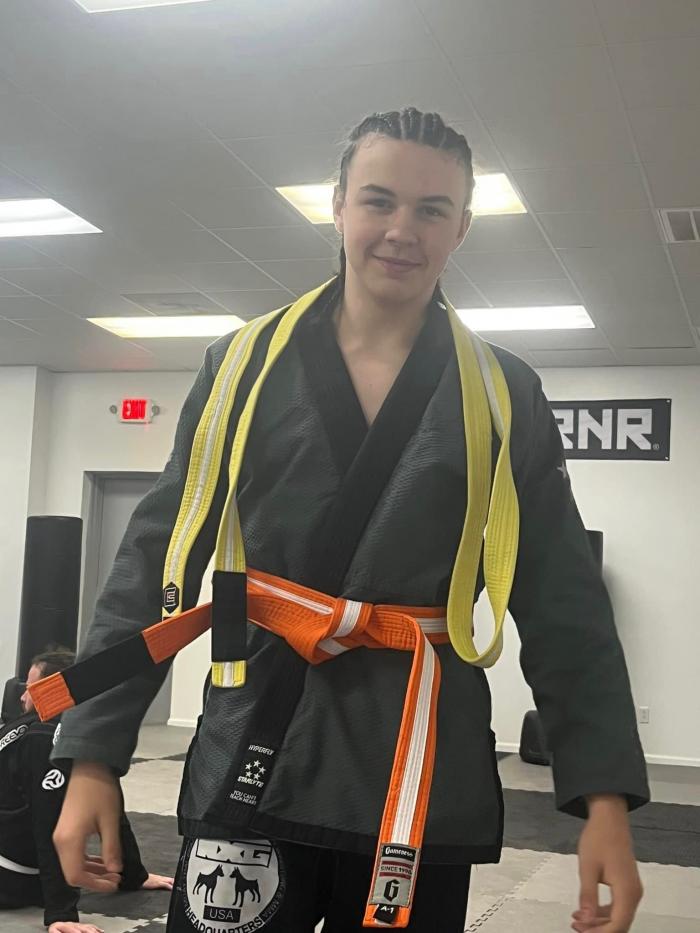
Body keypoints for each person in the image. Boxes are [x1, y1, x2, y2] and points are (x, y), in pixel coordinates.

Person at [45, 108, 649, 932]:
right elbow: (157, 559)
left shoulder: (504, 392)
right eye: (379, 200)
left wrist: (604, 796)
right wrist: (91, 753)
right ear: (337, 205)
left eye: (432, 208)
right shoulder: (243, 366)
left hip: (416, 759)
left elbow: (563, 598)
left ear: (462, 227)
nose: (402, 229)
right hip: (259, 737)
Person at [0, 646, 172, 933]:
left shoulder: (69, 734)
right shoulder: (40, 736)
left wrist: (133, 874)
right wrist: (61, 913)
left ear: (53, 688)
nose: (22, 697)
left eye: (30, 688)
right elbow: (48, 822)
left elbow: (109, 803)